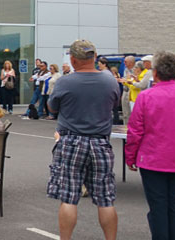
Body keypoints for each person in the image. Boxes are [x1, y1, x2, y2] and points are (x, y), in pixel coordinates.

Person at [47, 39, 120, 240]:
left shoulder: (65, 81)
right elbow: (114, 104)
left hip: (71, 141)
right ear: (94, 57)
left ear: (73, 59)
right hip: (100, 142)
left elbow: (52, 108)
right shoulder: (109, 80)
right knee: (105, 199)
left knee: (69, 197)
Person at [126, 51, 175, 240]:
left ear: (155, 73)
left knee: (158, 208)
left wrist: (131, 156)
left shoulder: (146, 97)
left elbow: (135, 131)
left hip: (152, 160)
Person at [118, 56, 136, 125]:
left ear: (131, 62)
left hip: (132, 92)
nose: (124, 63)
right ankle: (125, 128)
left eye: (126, 62)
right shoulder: (126, 70)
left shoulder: (136, 70)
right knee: (125, 113)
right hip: (125, 91)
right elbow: (125, 80)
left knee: (132, 113)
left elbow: (134, 82)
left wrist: (126, 80)